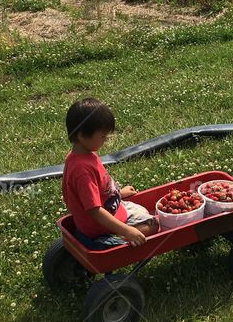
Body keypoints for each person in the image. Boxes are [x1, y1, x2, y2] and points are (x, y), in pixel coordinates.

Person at [61, 97, 159, 249]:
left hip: (111, 210)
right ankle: (115, 242)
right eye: (102, 136)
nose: (105, 140)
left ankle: (114, 236)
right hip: (100, 226)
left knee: (144, 210)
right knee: (153, 224)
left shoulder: (82, 154)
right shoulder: (82, 171)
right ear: (81, 135)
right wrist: (127, 231)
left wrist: (118, 194)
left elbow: (98, 191)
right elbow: (94, 210)